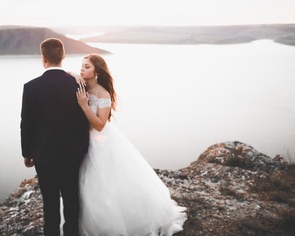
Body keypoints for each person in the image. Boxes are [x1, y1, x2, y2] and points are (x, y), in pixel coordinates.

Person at [75, 53, 187, 235]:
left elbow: (100, 125)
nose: (82, 68)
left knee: (104, 184)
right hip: (82, 140)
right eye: (82, 65)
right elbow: (69, 74)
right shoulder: (81, 84)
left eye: (87, 66)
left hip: (100, 142)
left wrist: (84, 105)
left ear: (97, 72)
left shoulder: (102, 94)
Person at [20, 38, 89, 236]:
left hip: (44, 154)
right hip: (72, 153)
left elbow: (27, 123)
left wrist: (27, 152)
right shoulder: (76, 85)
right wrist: (83, 149)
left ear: (43, 59)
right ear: (63, 56)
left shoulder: (31, 87)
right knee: (71, 200)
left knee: (49, 203)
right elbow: (82, 122)